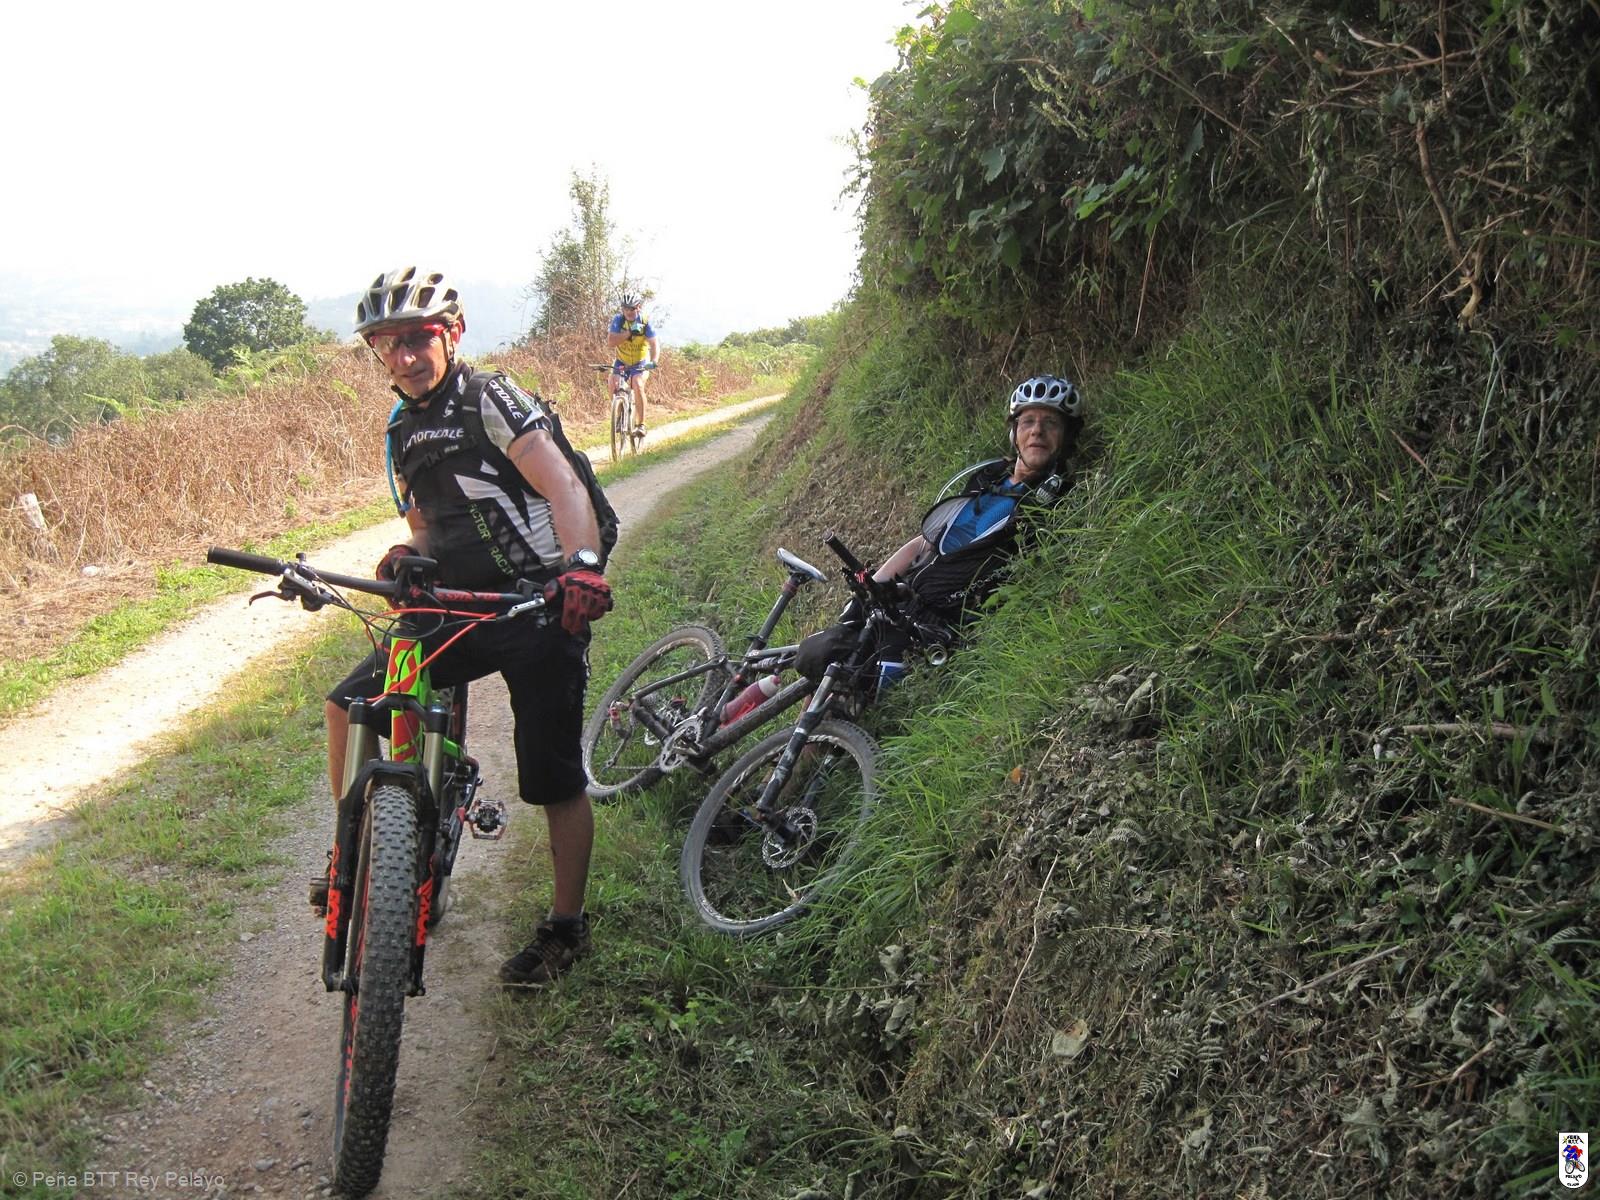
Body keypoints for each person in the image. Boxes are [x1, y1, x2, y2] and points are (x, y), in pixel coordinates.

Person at [326, 265, 614, 988]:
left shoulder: (490, 398)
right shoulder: (401, 431)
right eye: (387, 345)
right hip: (456, 604)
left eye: (418, 339)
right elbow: (427, 528)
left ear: (451, 335)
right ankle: (356, 852)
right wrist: (408, 554)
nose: (404, 357)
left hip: (538, 605)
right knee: (349, 703)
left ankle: (566, 928)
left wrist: (580, 568)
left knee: (551, 775)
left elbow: (564, 487)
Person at [788, 374, 1084, 699]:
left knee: (840, 668)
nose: (1037, 431)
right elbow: (925, 542)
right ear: (1014, 432)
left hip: (935, 621)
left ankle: (819, 724)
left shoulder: (1053, 500)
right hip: (901, 594)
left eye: (1050, 423)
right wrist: (875, 585)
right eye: (1028, 421)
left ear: (1066, 437)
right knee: (823, 651)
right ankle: (776, 716)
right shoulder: (988, 478)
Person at [606, 292, 659, 439]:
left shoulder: (645, 322)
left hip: (640, 361)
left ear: (638, 307)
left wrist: (654, 361)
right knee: (612, 382)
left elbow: (654, 343)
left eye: (632, 309)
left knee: (637, 383)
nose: (628, 312)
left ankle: (641, 424)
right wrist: (629, 333)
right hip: (622, 361)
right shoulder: (618, 320)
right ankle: (618, 416)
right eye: (625, 308)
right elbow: (611, 342)